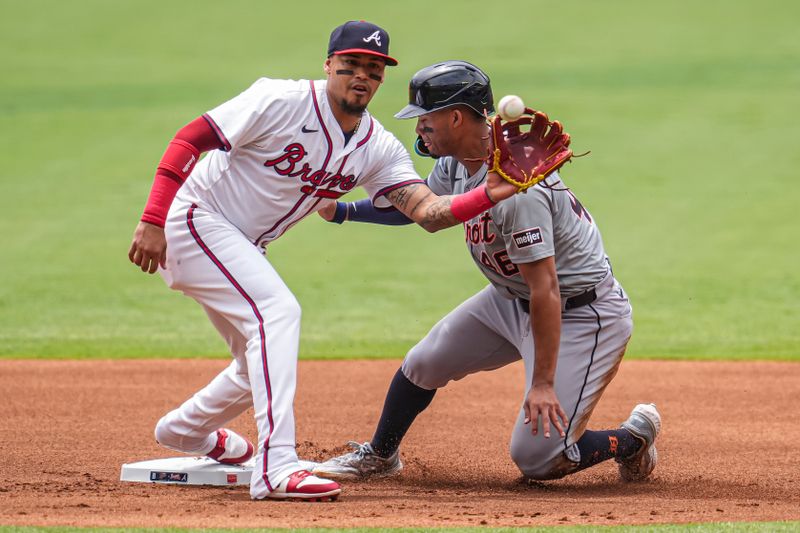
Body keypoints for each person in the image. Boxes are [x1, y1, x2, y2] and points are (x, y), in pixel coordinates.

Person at [127, 25, 518, 501]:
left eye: (372, 70)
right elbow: (190, 138)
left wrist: (494, 189)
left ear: (380, 81)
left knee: (258, 363)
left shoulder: (377, 146)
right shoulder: (279, 100)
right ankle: (275, 468)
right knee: (278, 313)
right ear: (328, 64)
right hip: (192, 221)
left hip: (240, 244)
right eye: (349, 65)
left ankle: (184, 432)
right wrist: (152, 218)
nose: (360, 76)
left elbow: (429, 214)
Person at [312, 60, 661, 484]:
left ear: (456, 117)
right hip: (511, 299)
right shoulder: (459, 161)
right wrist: (342, 211)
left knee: (539, 459)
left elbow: (546, 287)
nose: (419, 127)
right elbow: (425, 210)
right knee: (424, 362)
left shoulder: (517, 190)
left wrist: (543, 383)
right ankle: (380, 456)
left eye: (425, 118)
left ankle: (633, 438)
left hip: (580, 315)